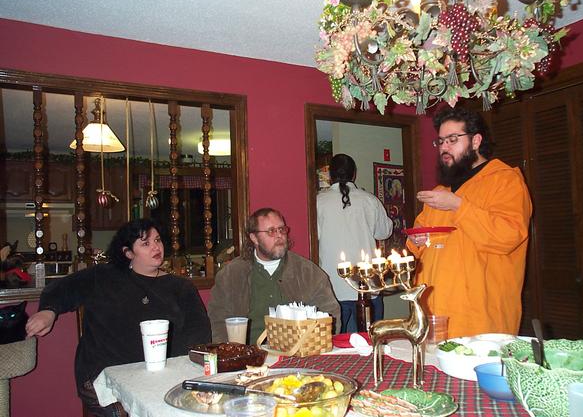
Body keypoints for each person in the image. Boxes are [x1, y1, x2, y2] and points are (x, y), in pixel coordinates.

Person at [25, 219, 211, 417]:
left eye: (157, 240)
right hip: (104, 375)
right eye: (145, 243)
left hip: (164, 376)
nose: (156, 247)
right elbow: (63, 288)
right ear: (128, 252)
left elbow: (198, 330)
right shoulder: (103, 277)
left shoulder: (181, 287)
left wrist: (185, 367)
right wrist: (48, 311)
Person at [406, 107, 532, 339]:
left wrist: (458, 206)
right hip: (433, 316)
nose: (444, 147)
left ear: (476, 141)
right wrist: (415, 241)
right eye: (441, 141)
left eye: (453, 139)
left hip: (480, 320)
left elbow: (508, 237)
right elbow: (418, 246)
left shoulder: (505, 180)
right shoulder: (440, 192)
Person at [208, 208, 341, 344]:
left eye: (281, 229)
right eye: (271, 231)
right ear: (254, 238)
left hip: (297, 352)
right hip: (247, 352)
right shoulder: (231, 274)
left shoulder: (308, 272)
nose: (279, 236)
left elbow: (330, 315)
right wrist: (230, 351)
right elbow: (217, 320)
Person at [316, 153, 393, 333]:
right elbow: (384, 232)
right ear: (354, 174)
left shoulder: (318, 201)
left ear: (329, 175)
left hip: (333, 287)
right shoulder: (369, 200)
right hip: (367, 286)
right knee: (371, 342)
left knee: (336, 345)